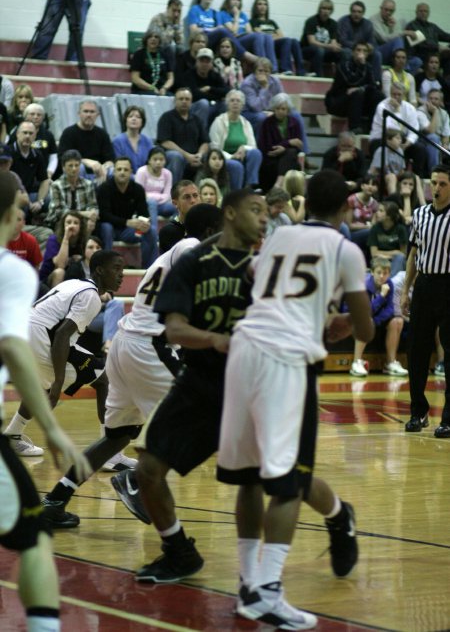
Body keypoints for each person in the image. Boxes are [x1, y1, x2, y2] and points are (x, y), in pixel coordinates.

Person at [216, 170, 374, 629]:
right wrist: (341, 320)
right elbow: (365, 330)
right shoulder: (346, 249)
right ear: (345, 209)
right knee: (288, 480)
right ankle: (268, 591)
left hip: (245, 348)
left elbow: (257, 279)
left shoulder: (278, 238)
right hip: (286, 360)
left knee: (248, 476)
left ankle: (250, 586)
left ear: (306, 203)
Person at [114, 188, 268, 584]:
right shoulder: (194, 259)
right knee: (147, 468)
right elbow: (174, 327)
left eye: (267, 212)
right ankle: (178, 550)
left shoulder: (269, 266)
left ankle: (329, 519)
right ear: (230, 215)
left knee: (258, 481)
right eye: (256, 210)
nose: (265, 218)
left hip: (249, 384)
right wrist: (215, 339)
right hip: (200, 380)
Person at [41, 203, 223, 528]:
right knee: (194, 417)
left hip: (127, 346)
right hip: (148, 345)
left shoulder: (171, 260)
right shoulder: (191, 245)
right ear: (212, 230)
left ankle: (56, 499)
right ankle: (136, 481)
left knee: (119, 436)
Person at [0, 169, 91, 632]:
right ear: (10, 212)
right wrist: (53, 427)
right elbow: (13, 349)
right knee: (35, 541)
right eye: (20, 206)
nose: (25, 213)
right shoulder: (10, 269)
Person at [4, 248, 124, 457]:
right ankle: (110, 454)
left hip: (24, 331)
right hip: (43, 337)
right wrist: (58, 382)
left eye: (122, 269)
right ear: (99, 270)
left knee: (43, 386)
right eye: (116, 268)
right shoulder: (91, 296)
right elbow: (61, 336)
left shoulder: (75, 283)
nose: (121, 274)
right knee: (104, 380)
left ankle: (12, 436)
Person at [402, 165, 450, 436]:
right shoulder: (419, 215)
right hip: (424, 285)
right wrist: (405, 289)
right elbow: (412, 255)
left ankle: (449, 417)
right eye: (434, 183)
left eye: (443, 183)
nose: (437, 188)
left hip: (448, 284)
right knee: (416, 352)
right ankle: (418, 412)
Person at [64, 235, 125, 359]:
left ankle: (109, 345)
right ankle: (111, 349)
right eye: (91, 247)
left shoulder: (107, 268)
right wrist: (97, 295)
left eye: (98, 247)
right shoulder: (75, 268)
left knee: (117, 304)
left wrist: (106, 297)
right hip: (85, 313)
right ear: (84, 250)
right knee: (119, 320)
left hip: (103, 312)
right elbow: (71, 294)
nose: (95, 250)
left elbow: (111, 294)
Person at [349, 256, 408, 377]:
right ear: (372, 272)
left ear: (389, 274)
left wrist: (376, 321)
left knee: (398, 321)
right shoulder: (364, 285)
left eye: (385, 273)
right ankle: (356, 362)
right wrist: (381, 296)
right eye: (379, 273)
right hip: (355, 316)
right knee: (366, 321)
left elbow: (390, 309)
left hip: (376, 319)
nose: (382, 276)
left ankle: (390, 363)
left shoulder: (390, 284)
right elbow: (366, 311)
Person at [97, 157, 156, 267]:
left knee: (150, 231)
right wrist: (127, 222)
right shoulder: (104, 188)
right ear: (114, 171)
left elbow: (143, 213)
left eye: (125, 170)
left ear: (131, 172)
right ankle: (107, 266)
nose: (122, 172)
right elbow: (104, 215)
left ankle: (149, 269)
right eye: (119, 169)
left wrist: (144, 223)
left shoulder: (138, 189)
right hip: (110, 229)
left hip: (128, 231)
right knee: (106, 227)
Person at [369, 82, 427, 180]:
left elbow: (414, 129)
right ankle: (383, 178)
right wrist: (397, 111)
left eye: (399, 94)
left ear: (404, 95)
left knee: (420, 149)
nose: (396, 97)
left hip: (401, 140)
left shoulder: (410, 108)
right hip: (382, 139)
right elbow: (391, 130)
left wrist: (408, 143)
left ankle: (417, 178)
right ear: (390, 93)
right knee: (382, 144)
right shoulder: (382, 106)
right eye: (393, 94)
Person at [187, 0, 257, 66]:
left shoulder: (215, 13)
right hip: (202, 39)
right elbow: (193, 31)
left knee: (225, 34)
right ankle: (246, 55)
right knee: (221, 31)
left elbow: (221, 29)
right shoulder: (195, 9)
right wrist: (212, 29)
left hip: (214, 41)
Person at [325, 41, 384, 133]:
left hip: (357, 103)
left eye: (365, 51)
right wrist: (362, 67)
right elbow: (352, 81)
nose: (361, 53)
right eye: (358, 50)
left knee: (378, 95)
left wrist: (361, 88)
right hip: (338, 101)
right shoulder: (344, 65)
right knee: (357, 94)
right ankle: (354, 127)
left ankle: (373, 127)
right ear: (353, 52)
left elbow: (373, 85)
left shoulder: (367, 66)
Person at [209, 89, 262, 188]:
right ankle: (236, 194)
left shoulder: (246, 123)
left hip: (242, 157)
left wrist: (243, 148)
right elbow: (214, 148)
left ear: (242, 105)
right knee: (236, 166)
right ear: (227, 104)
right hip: (223, 158)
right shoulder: (219, 122)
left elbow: (253, 146)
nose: (235, 103)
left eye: (238, 101)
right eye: (232, 100)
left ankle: (249, 187)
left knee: (256, 153)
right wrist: (231, 156)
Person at [156, 87, 209, 184]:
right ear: (175, 101)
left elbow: (205, 142)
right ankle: (173, 192)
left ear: (191, 102)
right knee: (176, 156)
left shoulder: (197, 119)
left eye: (187, 99)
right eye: (181, 99)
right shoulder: (166, 117)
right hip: (174, 156)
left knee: (211, 158)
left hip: (195, 157)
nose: (184, 101)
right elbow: (165, 142)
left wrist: (199, 155)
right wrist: (187, 156)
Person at [218, 0, 278, 70]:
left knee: (267, 36)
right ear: (228, 1)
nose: (236, 2)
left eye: (238, 0)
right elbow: (234, 31)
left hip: (244, 38)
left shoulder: (243, 15)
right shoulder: (223, 14)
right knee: (258, 36)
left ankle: (273, 68)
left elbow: (249, 31)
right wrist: (236, 15)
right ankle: (262, 66)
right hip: (235, 42)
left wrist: (243, 32)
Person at [58, 100, 115, 183]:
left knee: (114, 171)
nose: (89, 115)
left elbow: (110, 159)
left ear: (97, 115)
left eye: (92, 112)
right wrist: (86, 162)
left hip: (99, 173)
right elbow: (64, 158)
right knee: (79, 168)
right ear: (79, 113)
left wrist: (104, 167)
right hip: (78, 171)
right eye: (85, 111)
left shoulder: (102, 133)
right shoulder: (68, 133)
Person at [258, 93, 304, 192]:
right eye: (277, 108)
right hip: (271, 158)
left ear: (288, 110)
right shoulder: (267, 123)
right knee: (290, 155)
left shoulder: (294, 122)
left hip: (289, 157)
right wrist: (289, 143)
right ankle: (279, 185)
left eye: (283, 109)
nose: (280, 111)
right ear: (274, 109)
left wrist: (284, 147)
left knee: (291, 153)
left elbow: (299, 144)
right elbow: (269, 148)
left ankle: (278, 183)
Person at [250, 0, 306, 75]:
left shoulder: (272, 22)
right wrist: (273, 36)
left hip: (277, 44)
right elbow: (262, 35)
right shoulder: (253, 21)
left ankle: (301, 71)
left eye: (265, 4)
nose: (263, 6)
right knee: (287, 41)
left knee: (294, 41)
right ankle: (285, 69)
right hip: (268, 47)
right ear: (255, 7)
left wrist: (271, 36)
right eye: (260, 4)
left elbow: (281, 35)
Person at [45, 148, 98, 229]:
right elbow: (60, 212)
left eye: (77, 165)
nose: (74, 168)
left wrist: (92, 216)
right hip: (59, 223)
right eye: (70, 165)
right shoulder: (56, 185)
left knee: (91, 224)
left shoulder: (88, 184)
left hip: (81, 222)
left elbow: (93, 206)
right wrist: (84, 214)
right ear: (63, 167)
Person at [135, 146, 176, 251]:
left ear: (165, 161)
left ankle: (174, 232)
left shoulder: (167, 174)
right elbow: (139, 194)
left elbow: (168, 195)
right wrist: (155, 198)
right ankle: (154, 235)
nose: (158, 162)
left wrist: (153, 197)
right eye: (155, 159)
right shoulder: (142, 172)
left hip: (162, 205)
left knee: (177, 205)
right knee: (151, 203)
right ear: (149, 160)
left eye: (161, 159)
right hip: (145, 205)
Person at [180, 47, 228, 131]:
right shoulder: (189, 75)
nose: (204, 64)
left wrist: (210, 88)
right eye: (202, 60)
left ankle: (221, 134)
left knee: (224, 104)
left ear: (211, 64)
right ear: (196, 62)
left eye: (207, 61)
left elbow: (226, 91)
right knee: (203, 103)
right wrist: (216, 95)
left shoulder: (215, 75)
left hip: (211, 106)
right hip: (193, 108)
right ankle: (200, 135)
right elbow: (194, 95)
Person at [10, 121, 51, 217]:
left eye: (31, 133)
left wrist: (39, 202)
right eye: (25, 133)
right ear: (17, 134)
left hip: (29, 193)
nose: (28, 136)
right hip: (10, 196)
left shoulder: (37, 155)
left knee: (49, 199)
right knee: (23, 203)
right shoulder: (8, 153)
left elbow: (44, 180)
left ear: (35, 136)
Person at [39, 210, 87, 287]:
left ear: (80, 227)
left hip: (71, 278)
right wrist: (66, 238)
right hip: (47, 281)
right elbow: (60, 265)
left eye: (76, 223)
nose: (72, 226)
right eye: (68, 222)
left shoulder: (83, 241)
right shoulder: (53, 240)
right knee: (60, 272)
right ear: (63, 225)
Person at [337, 1, 382, 82]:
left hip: (364, 50)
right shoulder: (343, 21)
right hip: (348, 49)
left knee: (377, 54)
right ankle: (349, 78)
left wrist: (368, 47)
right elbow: (342, 40)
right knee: (347, 52)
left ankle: (375, 82)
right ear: (350, 12)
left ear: (363, 13)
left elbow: (372, 42)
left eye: (359, 12)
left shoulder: (368, 24)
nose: (356, 14)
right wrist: (359, 48)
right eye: (354, 11)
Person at [370, 0, 420, 70]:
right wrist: (405, 32)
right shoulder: (373, 20)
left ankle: (405, 77)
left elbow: (397, 37)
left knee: (417, 61)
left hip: (393, 55)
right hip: (378, 52)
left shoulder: (392, 20)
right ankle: (403, 68)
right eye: (386, 10)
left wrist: (392, 28)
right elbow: (384, 39)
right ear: (381, 8)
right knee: (397, 40)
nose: (388, 13)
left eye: (391, 11)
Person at [300, 0, 342, 77]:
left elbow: (333, 41)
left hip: (325, 51)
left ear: (331, 11)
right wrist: (329, 46)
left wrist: (335, 47)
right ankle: (319, 76)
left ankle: (340, 78)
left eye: (329, 9)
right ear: (319, 9)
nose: (326, 11)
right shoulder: (311, 21)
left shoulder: (333, 24)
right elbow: (311, 42)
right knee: (319, 50)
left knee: (343, 52)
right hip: (307, 50)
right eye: (324, 8)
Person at [405, 3, 450, 75]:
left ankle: (446, 82)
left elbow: (446, 36)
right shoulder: (412, 26)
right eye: (421, 11)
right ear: (416, 12)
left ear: (428, 13)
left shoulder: (432, 26)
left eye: (425, 11)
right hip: (420, 57)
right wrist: (438, 47)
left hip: (435, 56)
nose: (423, 13)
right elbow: (421, 44)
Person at [158, 180, 200, 254]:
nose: (193, 200)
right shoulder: (168, 232)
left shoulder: (207, 227)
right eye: (187, 197)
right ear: (175, 203)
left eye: (195, 195)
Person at [367, 201, 407, 277]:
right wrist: (394, 252)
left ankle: (391, 282)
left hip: (396, 261)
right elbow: (374, 253)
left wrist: (385, 254)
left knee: (400, 258)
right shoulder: (375, 228)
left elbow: (403, 253)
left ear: (389, 215)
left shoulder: (400, 229)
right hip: (379, 260)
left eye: (381, 211)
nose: (377, 213)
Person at [130, 28, 175, 96]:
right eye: (150, 37)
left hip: (161, 90)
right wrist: (151, 88)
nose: (153, 39)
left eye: (156, 37)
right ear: (146, 40)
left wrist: (164, 88)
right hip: (143, 90)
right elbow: (135, 78)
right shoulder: (139, 54)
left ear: (159, 40)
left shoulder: (165, 54)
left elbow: (171, 78)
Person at [112, 105, 153, 174]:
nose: (134, 119)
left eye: (138, 117)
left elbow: (151, 164)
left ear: (142, 122)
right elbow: (118, 166)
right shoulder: (117, 141)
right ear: (125, 120)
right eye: (130, 116)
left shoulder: (147, 141)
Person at [417, 88, 450, 172]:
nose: (433, 101)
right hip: (424, 140)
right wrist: (435, 112)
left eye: (436, 99)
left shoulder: (444, 113)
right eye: (430, 98)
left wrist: (445, 144)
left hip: (438, 141)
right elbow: (430, 131)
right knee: (433, 137)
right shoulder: (420, 111)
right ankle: (434, 171)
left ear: (441, 101)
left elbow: (446, 134)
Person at [346, 174, 379, 257]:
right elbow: (348, 226)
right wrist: (366, 227)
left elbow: (373, 224)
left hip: (368, 233)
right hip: (351, 233)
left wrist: (370, 227)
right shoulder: (352, 200)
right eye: (367, 184)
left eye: (373, 185)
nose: (370, 187)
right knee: (370, 233)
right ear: (362, 186)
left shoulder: (375, 204)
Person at [369, 128, 405, 195]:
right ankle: (394, 200)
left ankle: (422, 204)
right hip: (380, 177)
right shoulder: (381, 150)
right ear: (388, 140)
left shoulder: (400, 151)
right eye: (397, 138)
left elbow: (401, 170)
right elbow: (381, 170)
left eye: (400, 139)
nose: (400, 140)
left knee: (415, 178)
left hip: (395, 175)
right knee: (392, 176)